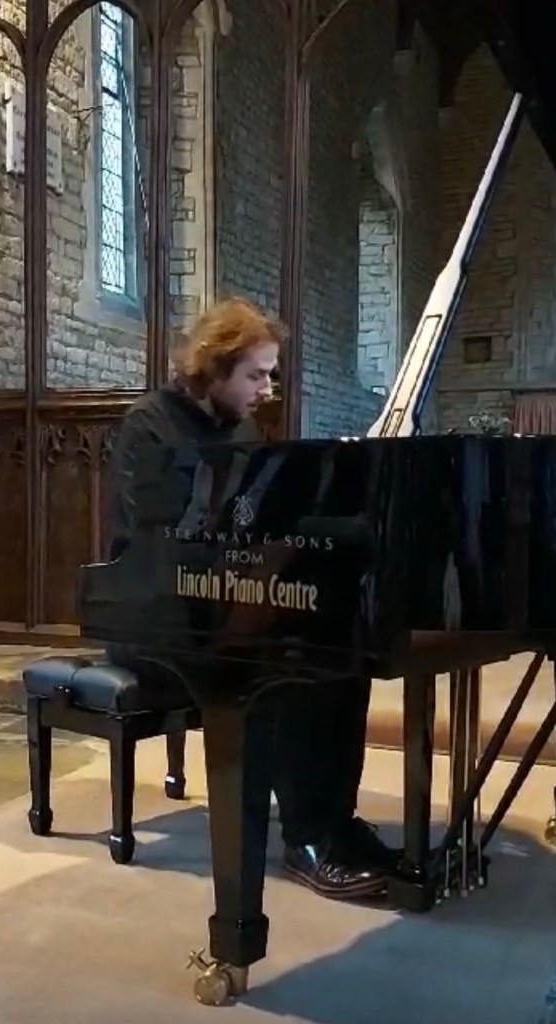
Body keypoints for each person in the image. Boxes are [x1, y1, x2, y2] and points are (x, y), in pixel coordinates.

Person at [106, 296, 398, 900]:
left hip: (224, 600)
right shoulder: (148, 426)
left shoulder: (238, 427)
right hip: (151, 614)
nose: (268, 389)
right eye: (256, 375)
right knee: (278, 670)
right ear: (214, 369)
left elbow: (253, 522)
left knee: (342, 655)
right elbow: (162, 542)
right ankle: (306, 839)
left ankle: (334, 824)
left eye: (270, 374)